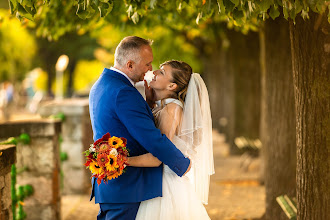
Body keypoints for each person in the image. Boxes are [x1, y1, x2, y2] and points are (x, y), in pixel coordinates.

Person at [89, 36, 191, 220]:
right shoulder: (124, 92)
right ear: (129, 64)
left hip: (112, 186)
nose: (150, 69)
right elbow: (152, 138)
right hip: (127, 188)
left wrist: (150, 104)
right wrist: (182, 163)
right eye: (147, 64)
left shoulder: (101, 84)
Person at [128, 60, 215, 219]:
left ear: (171, 86)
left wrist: (123, 160)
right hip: (158, 181)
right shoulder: (162, 106)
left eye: (161, 72)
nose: (154, 72)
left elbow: (158, 157)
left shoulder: (172, 109)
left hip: (167, 187)